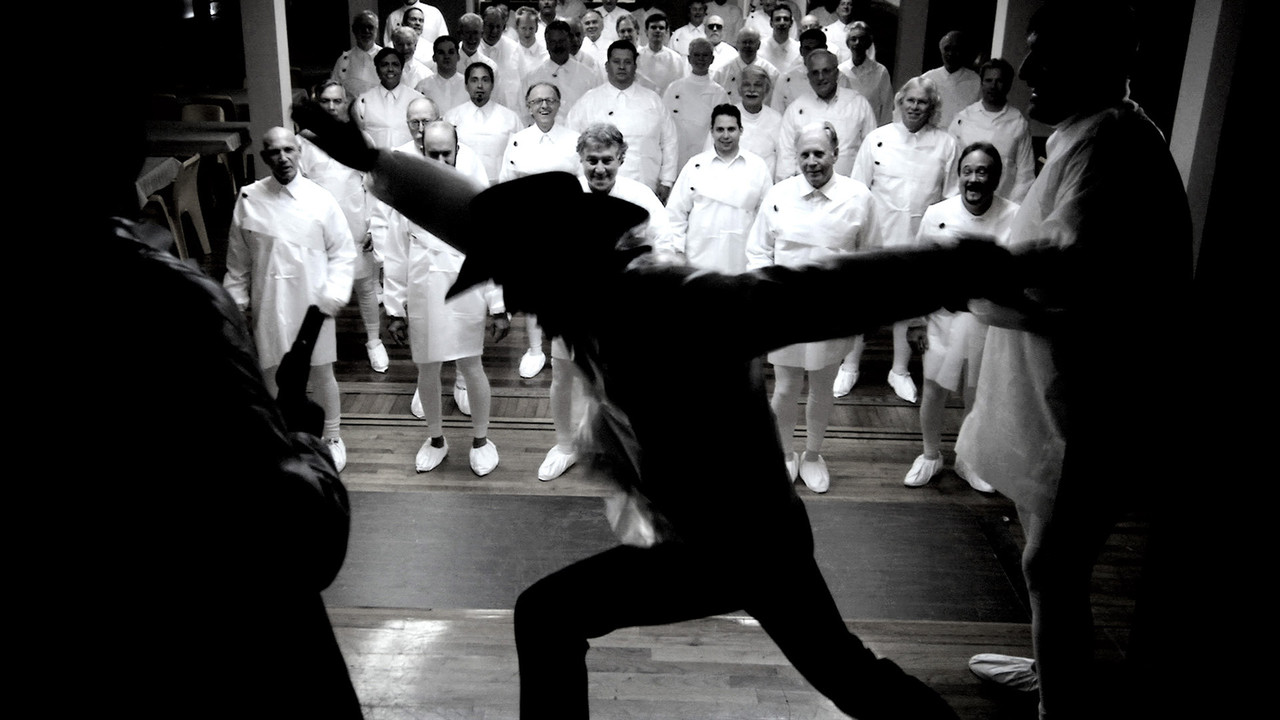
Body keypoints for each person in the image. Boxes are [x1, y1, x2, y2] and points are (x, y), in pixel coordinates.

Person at [294, 87, 1022, 719]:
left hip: (745, 545)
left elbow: (824, 291)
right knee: (839, 671)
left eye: (519, 283)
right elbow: (476, 218)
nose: (514, 301)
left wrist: (971, 265)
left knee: (835, 673)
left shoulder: (673, 303)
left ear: (560, 268)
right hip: (709, 537)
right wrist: (370, 159)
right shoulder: (581, 294)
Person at [956, 3, 1191, 717]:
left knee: (1051, 564)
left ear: (1097, 64)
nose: (1025, 70)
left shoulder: (1108, 143)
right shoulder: (1088, 132)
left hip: (1093, 404)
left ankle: (1062, 707)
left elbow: (1062, 273)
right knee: (1047, 550)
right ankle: (1054, 666)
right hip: (1065, 391)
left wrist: (961, 276)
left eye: (1045, 56)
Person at [747, 121, 879, 492]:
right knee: (786, 387)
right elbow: (758, 250)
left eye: (819, 153)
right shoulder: (779, 194)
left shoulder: (859, 197)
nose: (811, 162)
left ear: (835, 154)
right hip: (785, 310)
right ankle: (785, 454)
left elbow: (871, 256)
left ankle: (813, 455)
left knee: (822, 386)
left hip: (833, 311)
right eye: (804, 154)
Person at [223, 128, 357, 471]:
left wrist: (333, 295)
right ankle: (281, 439)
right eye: (274, 152)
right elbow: (238, 262)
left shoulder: (321, 199)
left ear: (299, 152)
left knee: (321, 372)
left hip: (314, 305)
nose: (282, 158)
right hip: (269, 301)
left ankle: (331, 437)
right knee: (272, 374)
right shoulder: (249, 199)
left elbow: (343, 253)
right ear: (264, 157)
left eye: (289, 150)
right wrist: (235, 305)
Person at [380, 120, 509, 476]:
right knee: (427, 368)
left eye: (446, 154)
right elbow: (395, 255)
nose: (439, 161)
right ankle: (436, 439)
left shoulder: (475, 196)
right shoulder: (406, 197)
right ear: (422, 151)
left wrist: (499, 307)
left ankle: (481, 440)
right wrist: (394, 309)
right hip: (423, 294)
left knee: (471, 365)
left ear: (457, 150)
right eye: (432, 154)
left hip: (466, 294)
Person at [902, 141, 1017, 492]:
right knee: (934, 389)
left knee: (978, 393)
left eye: (982, 171)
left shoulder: (1016, 216)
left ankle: (969, 459)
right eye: (967, 171)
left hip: (991, 323)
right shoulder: (938, 213)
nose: (974, 179)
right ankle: (930, 455)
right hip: (943, 318)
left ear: (996, 177)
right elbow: (919, 271)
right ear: (959, 175)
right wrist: (916, 320)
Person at [835, 76, 958, 401]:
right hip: (876, 237)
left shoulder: (946, 144)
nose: (915, 107)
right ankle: (849, 366)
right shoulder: (877, 139)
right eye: (910, 100)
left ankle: (900, 371)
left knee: (908, 308)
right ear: (900, 102)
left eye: (922, 102)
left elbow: (950, 197)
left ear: (932, 107)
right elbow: (857, 191)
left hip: (919, 241)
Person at [301, 80, 388, 374]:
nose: (331, 107)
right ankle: (319, 346)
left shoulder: (361, 139)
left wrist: (373, 226)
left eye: (337, 101)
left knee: (365, 287)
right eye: (325, 101)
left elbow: (375, 185)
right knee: (319, 289)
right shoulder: (303, 142)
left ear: (346, 103)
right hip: (319, 230)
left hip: (356, 225)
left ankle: (374, 341)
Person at [499, 82, 582, 379]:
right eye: (537, 101)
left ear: (559, 104)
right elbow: (506, 185)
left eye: (550, 100)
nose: (544, 106)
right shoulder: (518, 141)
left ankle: (566, 348)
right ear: (528, 107)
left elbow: (584, 182)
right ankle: (535, 350)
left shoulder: (574, 140)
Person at [568, 40, 679, 203]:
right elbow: (571, 141)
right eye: (616, 61)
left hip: (645, 186)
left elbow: (669, 141)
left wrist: (667, 181)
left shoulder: (653, 100)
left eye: (627, 62)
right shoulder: (588, 101)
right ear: (607, 66)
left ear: (635, 66)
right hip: (599, 187)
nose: (621, 67)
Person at [667, 103, 773, 273]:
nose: (725, 135)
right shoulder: (695, 165)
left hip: (743, 262)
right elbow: (675, 214)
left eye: (731, 129)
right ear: (712, 132)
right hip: (698, 262)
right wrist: (677, 251)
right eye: (720, 130)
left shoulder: (757, 167)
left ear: (741, 130)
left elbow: (767, 217)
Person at [776, 49, 876, 181]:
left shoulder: (858, 104)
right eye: (815, 72)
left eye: (826, 71)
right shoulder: (795, 109)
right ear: (809, 77)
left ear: (837, 74)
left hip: (849, 188)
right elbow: (786, 156)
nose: (820, 77)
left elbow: (872, 151)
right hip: (806, 189)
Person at [948, 58, 1036, 203]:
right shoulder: (963, 119)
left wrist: (1013, 208)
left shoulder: (1018, 122)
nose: (993, 86)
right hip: (965, 204)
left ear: (1008, 84)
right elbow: (950, 167)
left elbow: (1025, 175)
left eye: (999, 81)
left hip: (1002, 206)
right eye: (988, 80)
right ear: (981, 83)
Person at [445, 62, 525, 184]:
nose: (480, 86)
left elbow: (521, 155)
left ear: (492, 85)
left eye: (485, 80)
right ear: (466, 85)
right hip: (463, 185)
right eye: (474, 80)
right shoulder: (451, 117)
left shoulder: (511, 118)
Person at [662, 38, 731, 170]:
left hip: (705, 156)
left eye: (705, 55)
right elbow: (664, 124)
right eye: (696, 55)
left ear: (712, 59)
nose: (701, 59)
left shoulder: (719, 93)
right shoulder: (674, 88)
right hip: (676, 153)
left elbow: (721, 129)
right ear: (689, 58)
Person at [522, 20, 602, 114]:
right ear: (547, 44)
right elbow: (524, 112)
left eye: (562, 41)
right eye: (553, 42)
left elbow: (597, 109)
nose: (558, 46)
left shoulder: (589, 76)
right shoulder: (532, 78)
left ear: (569, 42)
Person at [769, 27, 851, 114]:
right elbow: (776, 112)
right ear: (801, 51)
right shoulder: (786, 78)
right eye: (808, 48)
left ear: (825, 48)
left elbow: (848, 110)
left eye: (816, 48)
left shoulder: (839, 77)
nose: (812, 52)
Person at [355, 48, 425, 148]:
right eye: (385, 65)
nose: (390, 69)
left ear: (401, 69)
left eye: (395, 65)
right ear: (377, 70)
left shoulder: (418, 100)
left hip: (410, 157)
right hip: (376, 157)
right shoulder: (364, 101)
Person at [725, 64, 782, 177]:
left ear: (766, 90)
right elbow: (710, 154)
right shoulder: (726, 117)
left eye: (758, 85)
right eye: (747, 85)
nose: (752, 90)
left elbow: (784, 158)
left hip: (766, 184)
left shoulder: (776, 119)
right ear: (740, 90)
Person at [920, 31, 980, 129]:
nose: (951, 53)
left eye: (956, 49)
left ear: (963, 51)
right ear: (941, 51)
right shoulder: (927, 79)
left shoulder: (976, 81)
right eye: (947, 49)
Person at [838, 21, 893, 125]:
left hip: (872, 128)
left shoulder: (880, 71)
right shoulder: (840, 70)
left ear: (868, 43)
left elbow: (887, 106)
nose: (857, 43)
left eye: (862, 39)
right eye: (853, 39)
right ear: (848, 44)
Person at [712, 26, 779, 107]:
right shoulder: (722, 72)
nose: (747, 45)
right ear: (737, 44)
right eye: (744, 42)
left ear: (758, 45)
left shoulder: (771, 72)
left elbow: (776, 102)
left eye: (751, 42)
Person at [331, 10, 382, 99]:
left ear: (376, 30)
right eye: (362, 27)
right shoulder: (343, 60)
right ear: (354, 30)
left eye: (370, 27)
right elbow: (334, 91)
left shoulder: (388, 58)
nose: (366, 31)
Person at [637, 12, 688, 95]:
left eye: (661, 28)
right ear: (646, 31)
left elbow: (680, 86)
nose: (657, 30)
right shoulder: (637, 56)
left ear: (666, 32)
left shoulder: (675, 59)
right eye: (653, 27)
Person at [417, 35, 470, 113]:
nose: (446, 56)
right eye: (441, 53)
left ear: (458, 56)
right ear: (434, 58)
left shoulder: (469, 85)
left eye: (451, 52)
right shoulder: (422, 87)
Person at [389, 25, 436, 90]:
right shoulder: (383, 70)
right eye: (400, 44)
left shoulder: (426, 74)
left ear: (415, 45)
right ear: (394, 45)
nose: (405, 48)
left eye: (409, 44)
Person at [760, 2, 802, 73]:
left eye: (786, 19)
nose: (782, 23)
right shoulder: (760, 47)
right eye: (778, 19)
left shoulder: (799, 49)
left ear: (791, 23)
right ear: (771, 23)